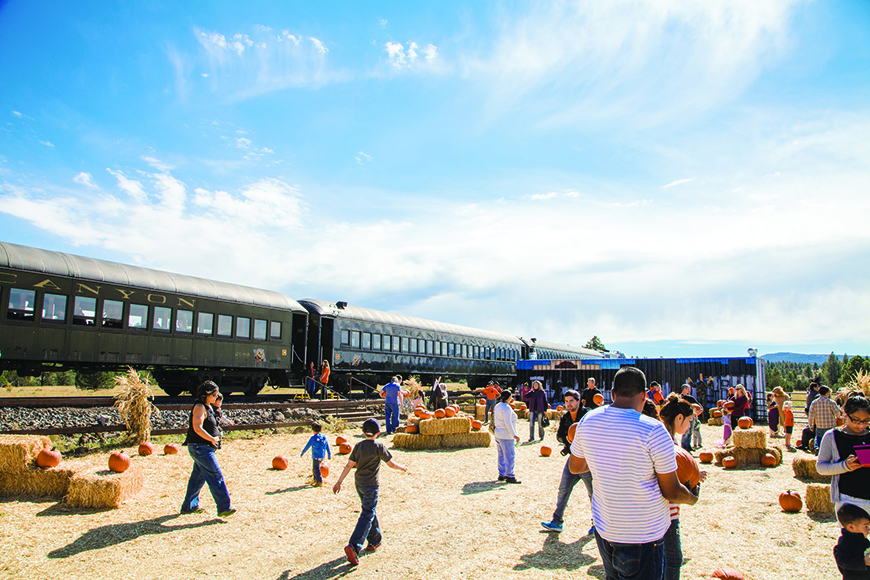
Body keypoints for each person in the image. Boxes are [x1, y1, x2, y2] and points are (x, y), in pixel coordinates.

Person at [569, 366, 698, 580]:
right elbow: (673, 492)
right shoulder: (654, 431)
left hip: (605, 528)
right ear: (644, 395)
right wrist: (692, 498)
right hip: (643, 534)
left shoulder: (588, 421)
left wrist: (604, 459)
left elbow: (575, 467)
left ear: (611, 393)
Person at [333, 418, 407, 566]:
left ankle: (374, 541)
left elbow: (349, 465)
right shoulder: (379, 446)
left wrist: (339, 481)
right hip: (371, 485)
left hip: (359, 484)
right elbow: (390, 463)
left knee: (369, 511)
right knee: (367, 514)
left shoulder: (358, 445)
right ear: (378, 432)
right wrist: (402, 468)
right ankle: (354, 546)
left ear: (362, 432)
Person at [658, 393, 706, 580]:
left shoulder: (665, 438)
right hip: (666, 511)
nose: (689, 426)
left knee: (664, 557)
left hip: (663, 510)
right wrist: (691, 492)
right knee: (673, 558)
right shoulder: (666, 443)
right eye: (689, 421)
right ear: (679, 418)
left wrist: (693, 474)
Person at [181, 380, 235, 518]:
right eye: (214, 395)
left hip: (205, 448)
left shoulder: (208, 406)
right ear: (207, 394)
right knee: (216, 476)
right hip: (200, 447)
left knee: (198, 478)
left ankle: (189, 506)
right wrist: (211, 438)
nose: (216, 398)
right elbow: (197, 428)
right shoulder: (199, 407)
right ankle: (224, 507)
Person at [541, 389, 592, 534]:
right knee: (564, 488)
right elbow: (559, 436)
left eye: (571, 401)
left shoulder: (587, 415)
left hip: (587, 460)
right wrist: (567, 440)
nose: (568, 404)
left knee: (593, 494)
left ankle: (597, 524)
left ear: (578, 401)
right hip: (573, 458)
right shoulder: (565, 418)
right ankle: (557, 521)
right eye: (566, 402)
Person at [816, 395, 870, 513]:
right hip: (848, 499)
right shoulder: (832, 436)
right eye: (856, 420)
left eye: (866, 421)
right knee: (851, 532)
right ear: (845, 413)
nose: (861, 425)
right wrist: (844, 466)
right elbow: (821, 467)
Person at [833, 503, 870, 580]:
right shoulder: (844, 544)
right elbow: (843, 561)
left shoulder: (864, 540)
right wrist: (863, 562)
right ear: (851, 527)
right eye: (865, 526)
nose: (868, 530)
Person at [493, 390, 521, 484]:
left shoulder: (497, 406)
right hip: (506, 435)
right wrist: (514, 435)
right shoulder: (506, 408)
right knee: (509, 455)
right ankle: (510, 475)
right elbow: (508, 423)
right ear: (509, 398)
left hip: (498, 434)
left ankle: (502, 474)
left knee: (501, 455)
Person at [809, 386, 845, 453]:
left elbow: (811, 415)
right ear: (827, 393)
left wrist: (811, 425)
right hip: (830, 426)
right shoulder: (831, 402)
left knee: (819, 438)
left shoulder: (814, 402)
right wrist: (841, 417)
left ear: (819, 393)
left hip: (820, 425)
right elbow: (837, 414)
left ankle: (817, 448)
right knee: (831, 439)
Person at [300, 421, 332, 487]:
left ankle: (319, 482)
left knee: (316, 469)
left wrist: (302, 453)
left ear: (312, 430)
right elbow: (327, 446)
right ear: (321, 429)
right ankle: (315, 479)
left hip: (316, 457)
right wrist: (329, 455)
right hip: (322, 456)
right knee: (315, 468)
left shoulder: (313, 438)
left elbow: (307, 446)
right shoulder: (324, 437)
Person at [678, 384, 700, 452]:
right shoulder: (679, 398)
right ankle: (684, 445)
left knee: (691, 431)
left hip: (692, 416)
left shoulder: (690, 398)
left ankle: (688, 445)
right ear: (685, 389)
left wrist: (699, 411)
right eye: (688, 389)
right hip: (684, 417)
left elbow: (698, 405)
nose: (689, 390)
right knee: (685, 431)